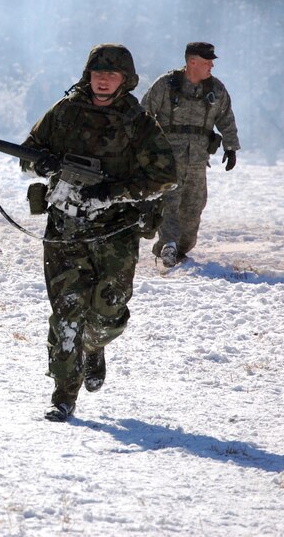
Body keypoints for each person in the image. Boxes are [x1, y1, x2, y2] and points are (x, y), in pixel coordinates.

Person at [20, 44, 177, 422]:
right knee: (67, 311)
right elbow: (28, 153)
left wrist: (113, 191)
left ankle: (94, 346)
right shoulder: (64, 112)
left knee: (108, 313)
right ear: (88, 74)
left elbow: (165, 176)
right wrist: (39, 162)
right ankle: (63, 395)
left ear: (125, 79)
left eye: (112, 73)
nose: (103, 79)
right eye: (98, 72)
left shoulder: (138, 122)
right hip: (65, 229)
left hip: (115, 232)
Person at [142, 42, 241, 267]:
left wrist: (231, 147)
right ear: (192, 62)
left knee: (193, 206)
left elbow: (226, 118)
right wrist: (143, 147)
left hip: (197, 159)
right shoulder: (166, 85)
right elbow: (144, 113)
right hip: (167, 158)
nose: (212, 65)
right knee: (169, 202)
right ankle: (168, 244)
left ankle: (179, 248)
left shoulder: (215, 90)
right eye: (207, 61)